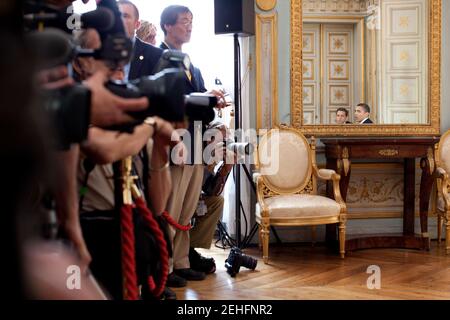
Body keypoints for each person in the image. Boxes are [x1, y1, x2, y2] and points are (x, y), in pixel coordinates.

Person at [159, 4, 226, 288]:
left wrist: (213, 101)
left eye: (191, 21)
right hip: (176, 144)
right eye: (184, 22)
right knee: (171, 209)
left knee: (187, 209)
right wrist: (203, 95)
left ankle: (182, 261)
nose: (189, 26)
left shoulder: (191, 63)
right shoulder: (159, 59)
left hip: (196, 143)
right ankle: (165, 267)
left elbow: (200, 110)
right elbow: (170, 101)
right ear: (167, 26)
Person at [189, 122, 236, 274]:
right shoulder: (195, 151)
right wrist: (208, 160)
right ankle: (184, 251)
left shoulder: (210, 156)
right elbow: (190, 182)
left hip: (193, 200)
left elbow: (211, 191)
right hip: (182, 200)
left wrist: (225, 170)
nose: (217, 143)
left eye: (223, 141)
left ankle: (188, 247)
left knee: (216, 202)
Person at [118, 0, 163, 81]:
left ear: (137, 25)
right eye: (116, 15)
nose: (119, 20)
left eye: (125, 16)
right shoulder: (97, 50)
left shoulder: (156, 56)